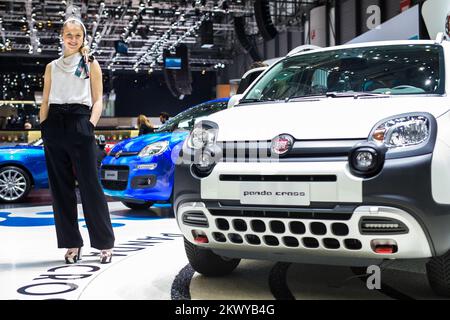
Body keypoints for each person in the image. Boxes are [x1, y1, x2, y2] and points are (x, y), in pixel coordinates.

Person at [39, 16, 115, 264]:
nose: (73, 39)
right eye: (68, 34)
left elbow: (97, 99)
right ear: (62, 36)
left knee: (91, 187)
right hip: (54, 126)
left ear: (83, 38)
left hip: (80, 122)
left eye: (77, 35)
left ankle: (104, 244)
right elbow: (46, 99)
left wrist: (90, 124)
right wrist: (44, 125)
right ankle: (72, 243)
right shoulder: (51, 67)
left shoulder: (90, 63)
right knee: (60, 190)